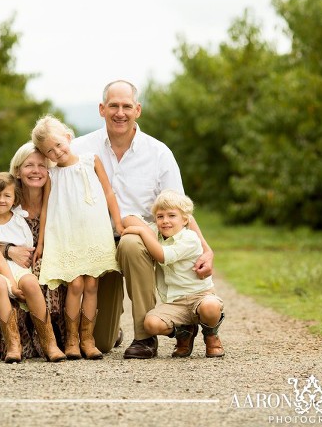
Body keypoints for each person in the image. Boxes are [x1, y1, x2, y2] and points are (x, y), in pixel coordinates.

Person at [70, 79, 215, 359]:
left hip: (141, 242)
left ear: (138, 110)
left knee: (131, 242)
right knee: (99, 343)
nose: (120, 113)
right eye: (114, 105)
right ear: (102, 109)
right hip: (96, 243)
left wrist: (206, 249)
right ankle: (113, 331)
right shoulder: (80, 149)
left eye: (127, 106)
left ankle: (144, 337)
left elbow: (180, 210)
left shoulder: (159, 153)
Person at [0, 143, 68, 361]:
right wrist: (8, 251)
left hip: (42, 269)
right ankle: (13, 344)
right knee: (5, 285)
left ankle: (51, 342)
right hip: (7, 270)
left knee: (36, 283)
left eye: (42, 165)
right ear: (18, 170)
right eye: (29, 165)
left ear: (49, 170)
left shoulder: (55, 198)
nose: (36, 171)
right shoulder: (5, 203)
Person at [31, 114, 123, 360]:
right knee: (76, 284)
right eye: (50, 151)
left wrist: (119, 224)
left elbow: (109, 193)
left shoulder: (91, 161)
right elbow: (47, 209)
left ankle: (88, 338)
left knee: (92, 284)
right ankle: (71, 339)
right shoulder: (53, 176)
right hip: (67, 234)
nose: (57, 152)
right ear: (45, 155)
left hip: (94, 231)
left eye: (59, 145)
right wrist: (40, 242)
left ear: (68, 138)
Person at [122, 189, 225, 358]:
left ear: (185, 220)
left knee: (210, 307)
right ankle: (184, 332)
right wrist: (139, 226)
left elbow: (163, 256)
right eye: (160, 216)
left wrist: (141, 232)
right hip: (175, 303)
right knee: (150, 324)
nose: (165, 221)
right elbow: (128, 218)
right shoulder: (159, 233)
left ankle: (211, 334)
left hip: (200, 297)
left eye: (171, 216)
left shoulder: (190, 239)